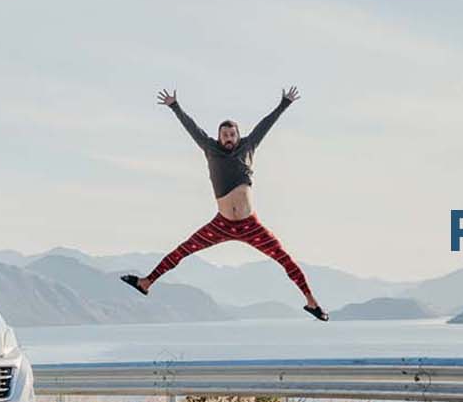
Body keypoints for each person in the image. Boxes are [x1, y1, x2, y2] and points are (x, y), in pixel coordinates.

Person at [120, 87, 328, 321]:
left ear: (238, 136)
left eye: (232, 135)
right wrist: (175, 106)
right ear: (219, 137)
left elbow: (264, 126)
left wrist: (284, 104)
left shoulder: (248, 147)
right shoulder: (210, 149)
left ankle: (312, 303)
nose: (228, 139)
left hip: (251, 225)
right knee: (183, 250)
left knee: (284, 258)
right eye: (224, 135)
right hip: (222, 224)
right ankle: (146, 282)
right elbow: (193, 129)